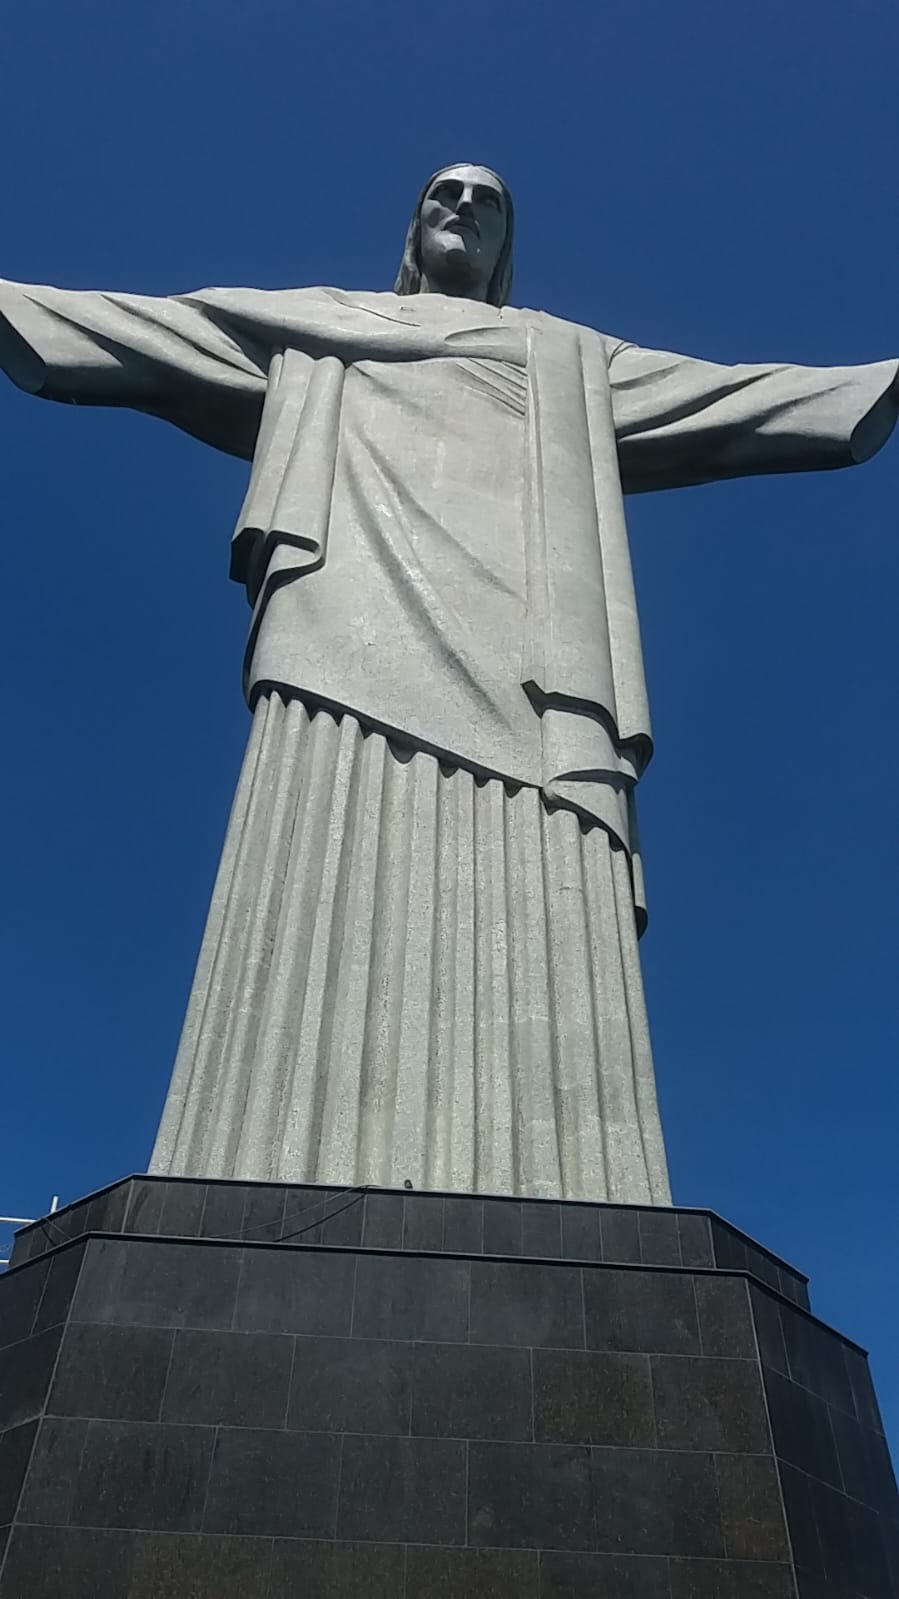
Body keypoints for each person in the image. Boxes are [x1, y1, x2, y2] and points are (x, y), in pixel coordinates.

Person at [1, 164, 895, 1203]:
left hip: (533, 667)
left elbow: (742, 401)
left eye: (487, 199)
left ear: (506, 238)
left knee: (544, 896)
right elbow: (129, 333)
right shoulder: (320, 324)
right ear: (413, 223)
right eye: (443, 193)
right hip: (341, 637)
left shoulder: (564, 357)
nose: (463, 206)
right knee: (313, 862)